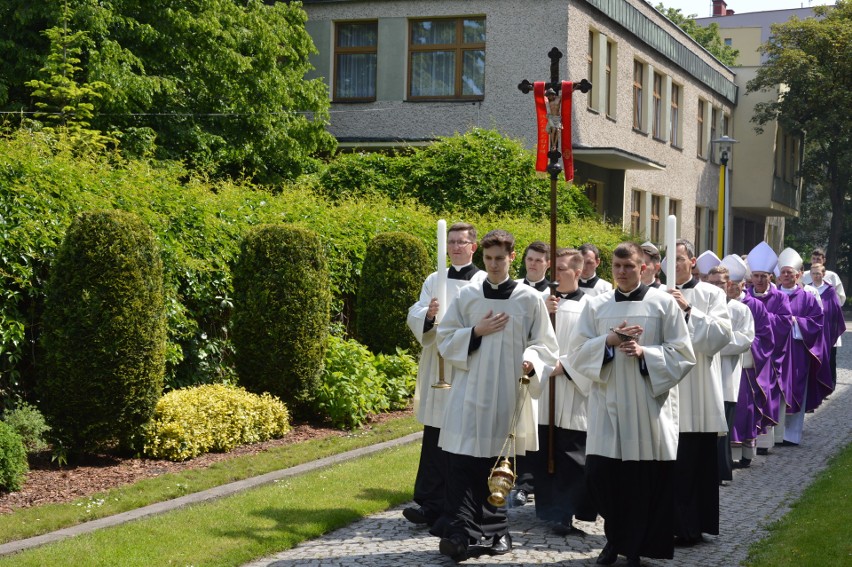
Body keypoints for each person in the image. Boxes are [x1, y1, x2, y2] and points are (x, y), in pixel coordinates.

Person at [567, 242, 695, 567]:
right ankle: (615, 538)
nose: (622, 272)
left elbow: (683, 353)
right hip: (606, 405)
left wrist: (644, 354)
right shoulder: (596, 307)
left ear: (644, 268)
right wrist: (608, 343)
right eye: (617, 267)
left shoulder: (663, 304)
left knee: (640, 483)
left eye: (629, 267)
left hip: (647, 408)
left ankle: (632, 548)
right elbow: (577, 353)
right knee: (602, 478)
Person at [436, 229, 559, 561]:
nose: (492, 265)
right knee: (461, 462)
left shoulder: (528, 299)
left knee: (498, 466)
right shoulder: (469, 296)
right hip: (469, 390)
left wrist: (531, 360)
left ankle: (497, 532)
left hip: (507, 392)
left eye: (499, 259)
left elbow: (546, 345)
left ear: (511, 258)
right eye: (488, 259)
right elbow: (445, 338)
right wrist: (476, 332)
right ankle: (460, 534)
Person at [404, 223, 487, 531]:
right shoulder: (434, 278)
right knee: (435, 434)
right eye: (450, 242)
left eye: (461, 242)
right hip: (436, 362)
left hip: (464, 364)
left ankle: (455, 505)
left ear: (473, 247)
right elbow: (416, 310)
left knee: (459, 436)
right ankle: (429, 503)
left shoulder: (481, 282)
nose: (454, 247)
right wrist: (428, 314)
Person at [668, 240, 732, 546]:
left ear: (692, 261)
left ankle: (692, 526)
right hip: (665, 389)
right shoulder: (655, 294)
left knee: (693, 464)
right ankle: (666, 524)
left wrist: (688, 310)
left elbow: (720, 336)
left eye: (680, 259)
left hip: (698, 391)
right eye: (670, 259)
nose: (675, 264)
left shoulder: (712, 294)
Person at [533, 248, 596, 536]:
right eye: (554, 268)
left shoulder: (592, 307)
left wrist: (566, 366)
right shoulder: (541, 303)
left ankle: (568, 511)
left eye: (562, 270)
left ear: (579, 272)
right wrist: (543, 314)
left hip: (573, 390)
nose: (555, 275)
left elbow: (595, 349)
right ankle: (549, 510)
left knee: (571, 453)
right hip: (544, 387)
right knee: (546, 448)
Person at [721, 254, 773, 470]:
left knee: (744, 410)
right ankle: (723, 455)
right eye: (727, 284)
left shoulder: (754, 306)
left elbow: (765, 336)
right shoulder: (716, 304)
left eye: (734, 284)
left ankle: (744, 453)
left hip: (744, 366)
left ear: (744, 284)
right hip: (721, 366)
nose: (730, 288)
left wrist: (743, 346)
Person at [511, 240, 552, 507]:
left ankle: (539, 483)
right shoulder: (513, 289)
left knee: (543, 427)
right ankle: (520, 482)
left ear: (548, 263)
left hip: (543, 366)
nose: (533, 264)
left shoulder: (556, 292)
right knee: (519, 424)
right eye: (530, 259)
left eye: (539, 260)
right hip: (516, 365)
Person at [706, 264, 755, 482]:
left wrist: (712, 344)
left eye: (720, 283)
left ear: (729, 285)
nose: (716, 287)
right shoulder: (700, 309)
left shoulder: (740, 310)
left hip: (726, 377)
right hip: (704, 377)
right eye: (712, 283)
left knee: (722, 430)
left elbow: (744, 340)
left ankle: (720, 471)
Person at [746, 242, 792, 455]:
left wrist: (763, 317)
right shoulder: (745, 297)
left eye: (764, 276)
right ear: (751, 277)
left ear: (770, 277)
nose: (760, 280)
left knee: (768, 394)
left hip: (771, 354)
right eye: (756, 276)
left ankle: (765, 441)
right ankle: (749, 439)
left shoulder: (780, 297)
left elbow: (785, 322)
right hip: (750, 353)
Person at [775, 248, 825, 446]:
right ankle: (774, 434)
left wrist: (795, 322)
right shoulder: (773, 296)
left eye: (790, 272)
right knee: (775, 390)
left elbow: (816, 323)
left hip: (796, 352)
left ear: (798, 275)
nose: (787, 275)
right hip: (775, 351)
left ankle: (791, 435)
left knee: (795, 390)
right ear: (779, 275)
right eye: (784, 272)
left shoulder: (807, 298)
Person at [810, 263, 846, 390]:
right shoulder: (807, 289)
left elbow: (835, 311)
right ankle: (813, 386)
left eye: (818, 273)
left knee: (828, 359)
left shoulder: (830, 291)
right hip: (811, 332)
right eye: (813, 273)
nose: (815, 276)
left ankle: (827, 385)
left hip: (826, 330)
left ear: (823, 274)